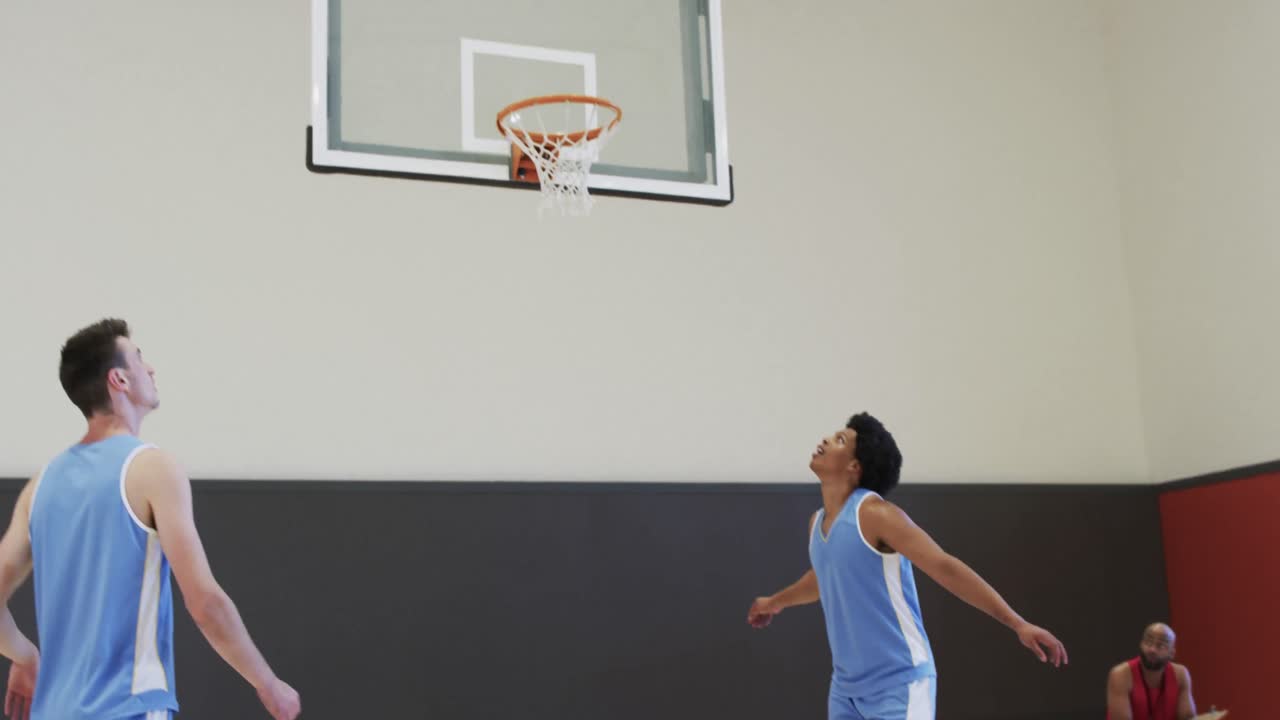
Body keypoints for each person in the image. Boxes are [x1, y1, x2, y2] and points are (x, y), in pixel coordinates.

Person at [0, 318, 301, 720]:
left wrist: (24, 655)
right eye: (140, 359)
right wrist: (267, 683)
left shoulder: (42, 485)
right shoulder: (151, 469)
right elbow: (205, 603)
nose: (151, 369)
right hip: (127, 710)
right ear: (120, 379)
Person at [747, 412, 1068, 720]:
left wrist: (1017, 623)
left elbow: (944, 566)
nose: (826, 440)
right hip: (845, 691)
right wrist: (775, 602)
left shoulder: (877, 515)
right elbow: (823, 578)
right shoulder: (816, 523)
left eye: (840, 440)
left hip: (900, 682)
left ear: (854, 466)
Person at [1107, 623, 1197, 720]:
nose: (1152, 650)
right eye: (1148, 642)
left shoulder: (1180, 675)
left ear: (1172, 653)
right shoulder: (1121, 674)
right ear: (1141, 644)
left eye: (1160, 645)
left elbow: (1187, 717)